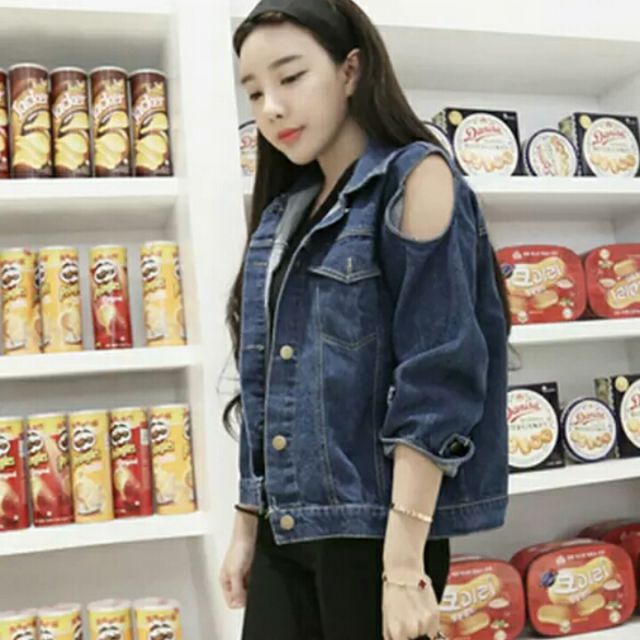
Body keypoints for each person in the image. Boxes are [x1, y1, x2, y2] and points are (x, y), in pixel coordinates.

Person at [219, 1, 511, 639]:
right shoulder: (286, 211)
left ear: (350, 70)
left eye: (291, 77)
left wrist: (403, 568)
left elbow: (438, 380)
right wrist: (247, 524)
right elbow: (262, 384)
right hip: (285, 528)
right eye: (255, 92)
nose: (272, 107)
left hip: (376, 536)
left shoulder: (417, 179)